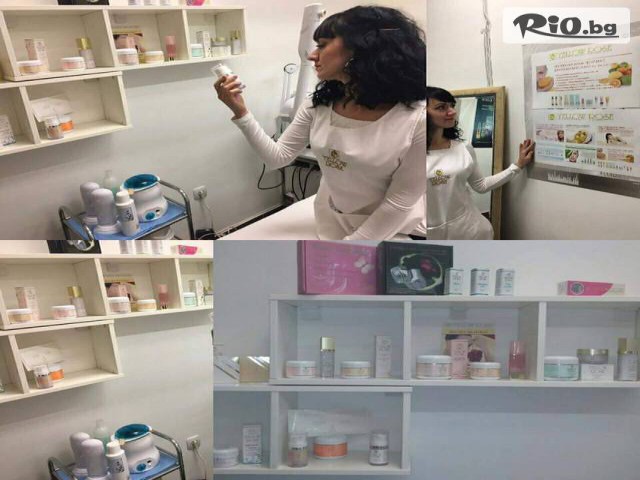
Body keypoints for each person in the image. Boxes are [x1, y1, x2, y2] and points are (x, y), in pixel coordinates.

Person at [215, 6, 426, 240]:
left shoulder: (417, 120)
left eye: (323, 45)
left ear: (362, 49)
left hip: (391, 229)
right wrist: (240, 111)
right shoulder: (319, 104)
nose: (312, 55)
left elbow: (399, 202)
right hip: (331, 221)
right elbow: (278, 157)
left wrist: (351, 248)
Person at [426, 86, 534, 240]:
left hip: (471, 231)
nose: (452, 112)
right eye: (441, 107)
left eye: (451, 106)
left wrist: (517, 166)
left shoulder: (463, 148)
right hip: (429, 235)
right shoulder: (406, 153)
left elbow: (481, 185)